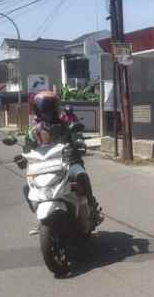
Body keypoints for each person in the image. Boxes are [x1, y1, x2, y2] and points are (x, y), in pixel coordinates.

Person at [19, 91, 97, 235]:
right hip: (44, 166)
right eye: (44, 108)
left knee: (81, 176)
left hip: (69, 163)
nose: (47, 111)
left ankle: (91, 207)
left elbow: (77, 135)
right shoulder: (34, 131)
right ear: (38, 110)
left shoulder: (66, 125)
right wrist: (22, 157)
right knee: (27, 188)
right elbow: (27, 147)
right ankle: (43, 220)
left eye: (50, 107)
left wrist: (79, 142)